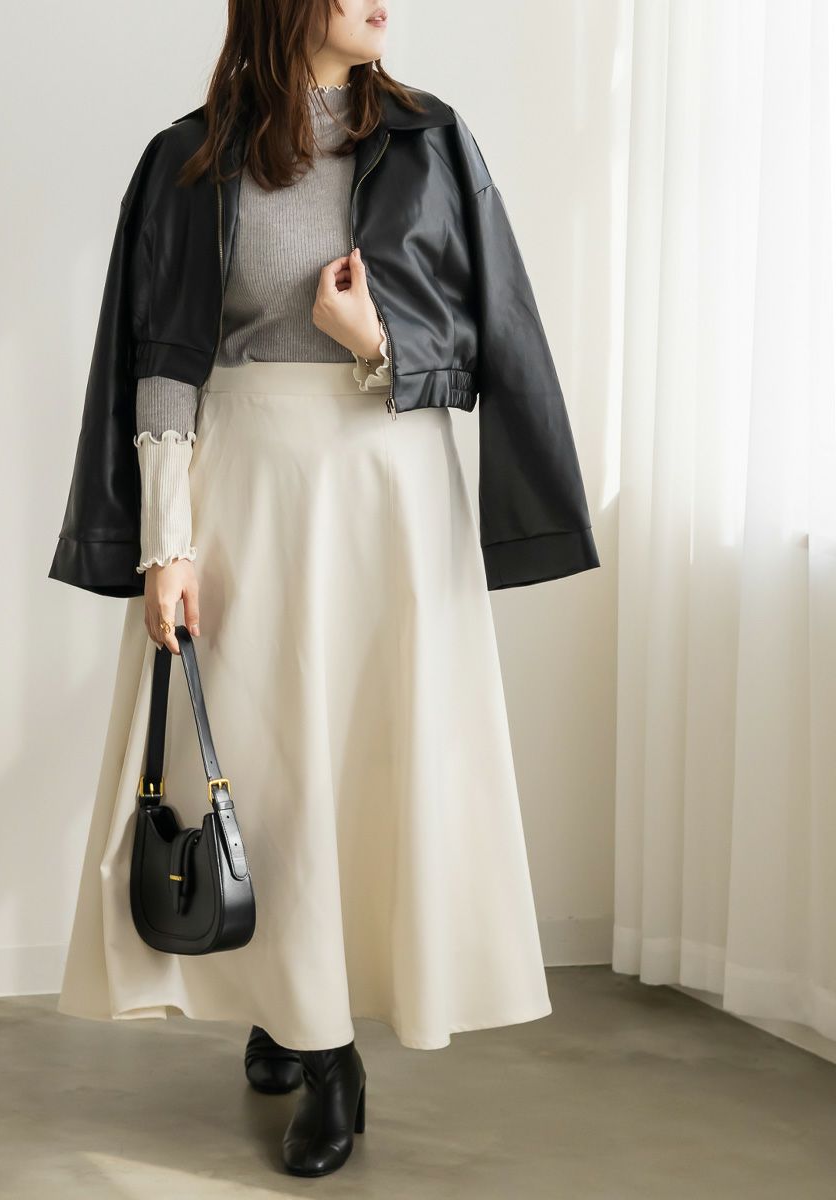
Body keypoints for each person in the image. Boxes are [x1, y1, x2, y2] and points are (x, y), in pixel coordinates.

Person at [50, 0, 599, 1179]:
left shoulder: (431, 141)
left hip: (392, 498)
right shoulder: (191, 158)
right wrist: (165, 544)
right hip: (247, 494)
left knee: (365, 763)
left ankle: (323, 1041)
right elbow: (163, 360)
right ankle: (306, 1024)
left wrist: (374, 340)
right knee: (264, 771)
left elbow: (488, 333)